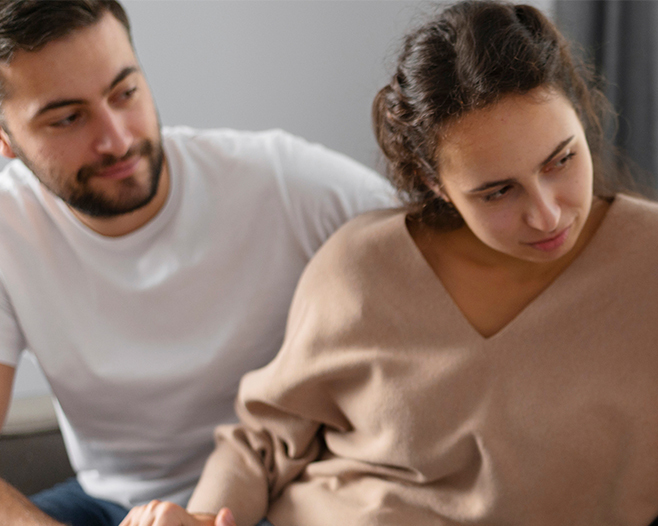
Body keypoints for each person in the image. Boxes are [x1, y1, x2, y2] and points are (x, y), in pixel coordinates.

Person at [117, 2, 658, 526]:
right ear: (432, 183)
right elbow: (262, 440)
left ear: (581, 115)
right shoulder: (360, 265)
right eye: (496, 191)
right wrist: (200, 518)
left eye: (562, 159)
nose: (547, 211)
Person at [0, 1, 402, 524]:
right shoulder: (9, 227)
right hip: (110, 505)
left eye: (125, 92)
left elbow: (449, 255)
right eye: (69, 118)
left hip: (282, 494)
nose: (117, 138)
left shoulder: (282, 184)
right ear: (6, 140)